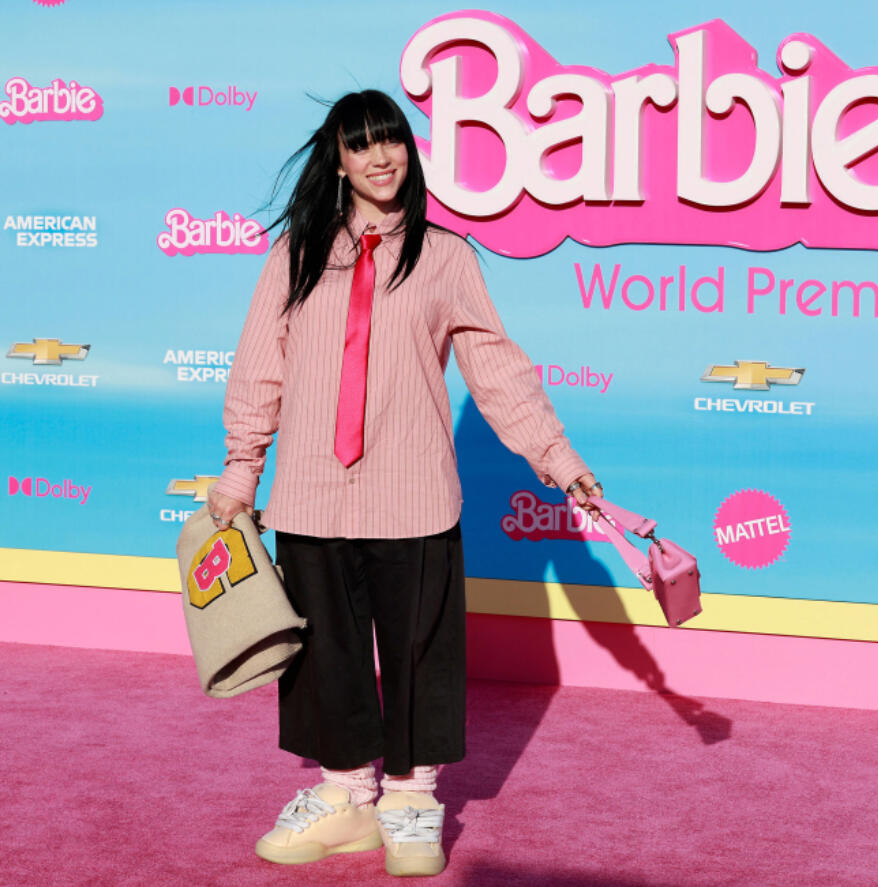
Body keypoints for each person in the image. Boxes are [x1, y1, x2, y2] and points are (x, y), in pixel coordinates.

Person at [207, 89, 601, 877]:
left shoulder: (447, 256)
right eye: (361, 146)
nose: (380, 158)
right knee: (327, 652)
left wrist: (558, 460)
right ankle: (345, 797)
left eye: (391, 141)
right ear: (340, 160)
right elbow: (260, 369)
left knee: (421, 651)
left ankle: (412, 800)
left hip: (413, 492)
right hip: (315, 491)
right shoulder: (294, 255)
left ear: (408, 152)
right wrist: (242, 466)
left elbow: (496, 368)